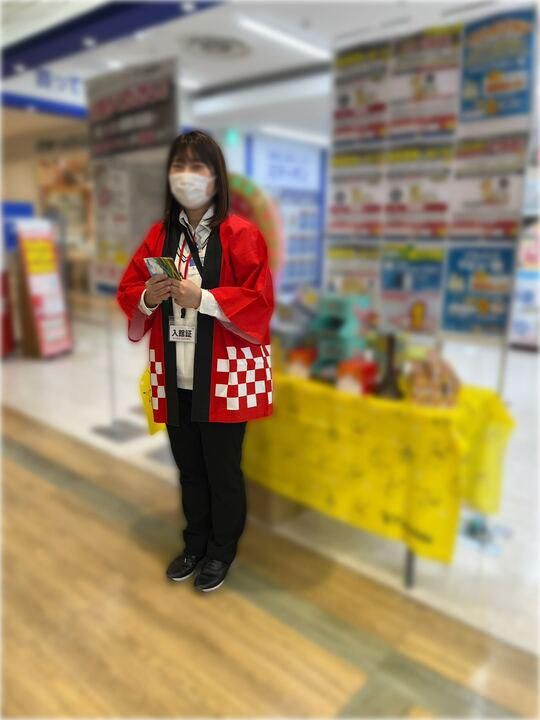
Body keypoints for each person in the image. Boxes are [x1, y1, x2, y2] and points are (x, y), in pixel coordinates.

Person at [116, 130, 275, 592]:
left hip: (224, 377)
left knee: (222, 471)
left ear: (216, 177)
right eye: (179, 165)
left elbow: (259, 302)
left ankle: (221, 551)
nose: (186, 175)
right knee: (189, 468)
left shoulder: (242, 235)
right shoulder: (159, 235)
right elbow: (130, 291)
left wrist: (201, 298)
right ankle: (195, 542)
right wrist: (149, 296)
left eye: (197, 166)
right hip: (174, 372)